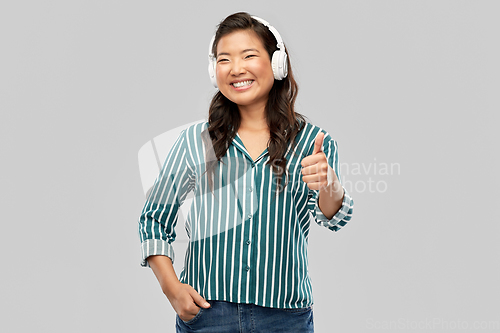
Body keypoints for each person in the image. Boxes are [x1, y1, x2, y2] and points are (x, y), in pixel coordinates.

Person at [137, 12, 354, 333]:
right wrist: (172, 289)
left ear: (277, 64)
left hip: (285, 317)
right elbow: (154, 218)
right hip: (207, 315)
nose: (236, 68)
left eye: (249, 55)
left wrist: (329, 183)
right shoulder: (196, 141)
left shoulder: (314, 142)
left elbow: (332, 217)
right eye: (224, 59)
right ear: (214, 72)